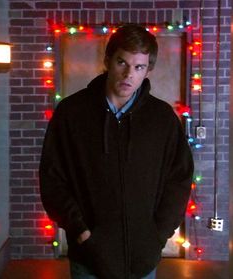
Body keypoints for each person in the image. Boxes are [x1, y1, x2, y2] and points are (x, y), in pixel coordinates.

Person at [39, 23, 194, 279]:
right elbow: (53, 177)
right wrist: (80, 230)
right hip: (88, 256)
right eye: (122, 63)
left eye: (139, 67)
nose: (128, 75)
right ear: (108, 60)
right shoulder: (71, 113)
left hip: (143, 258)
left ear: (148, 70)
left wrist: (157, 235)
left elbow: (179, 180)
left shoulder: (162, 119)